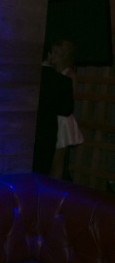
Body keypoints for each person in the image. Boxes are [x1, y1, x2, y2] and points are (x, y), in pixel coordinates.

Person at [32, 43, 75, 175]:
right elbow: (66, 110)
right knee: (42, 172)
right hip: (47, 132)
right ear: (49, 55)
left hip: (22, 132)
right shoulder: (62, 81)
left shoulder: (26, 77)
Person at [49, 40, 84, 180]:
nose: (53, 55)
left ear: (63, 56)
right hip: (51, 117)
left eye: (56, 53)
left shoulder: (70, 75)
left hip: (62, 121)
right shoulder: (50, 72)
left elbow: (71, 99)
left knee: (57, 160)